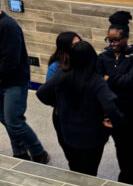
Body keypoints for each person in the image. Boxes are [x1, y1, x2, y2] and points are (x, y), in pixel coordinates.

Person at [36, 41, 122, 176]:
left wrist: (58, 103)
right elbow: (110, 106)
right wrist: (115, 121)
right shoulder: (96, 81)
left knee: (74, 167)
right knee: (90, 172)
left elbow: (41, 93)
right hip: (92, 137)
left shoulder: (62, 75)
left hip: (68, 133)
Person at [97, 11, 133, 186]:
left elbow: (131, 82)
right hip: (114, 108)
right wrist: (116, 80)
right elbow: (99, 84)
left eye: (117, 40)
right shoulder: (103, 57)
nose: (113, 44)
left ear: (126, 37)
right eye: (109, 40)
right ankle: (126, 178)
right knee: (120, 144)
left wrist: (110, 79)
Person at [0, 10, 50, 163]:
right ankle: (20, 152)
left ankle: (38, 152)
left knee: (14, 121)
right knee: (5, 118)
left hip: (13, 82)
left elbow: (11, 60)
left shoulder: (8, 26)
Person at [46, 31, 81, 166]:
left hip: (83, 112)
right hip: (64, 113)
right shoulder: (56, 67)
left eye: (79, 43)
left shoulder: (85, 60)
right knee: (70, 150)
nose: (78, 46)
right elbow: (47, 93)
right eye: (74, 44)